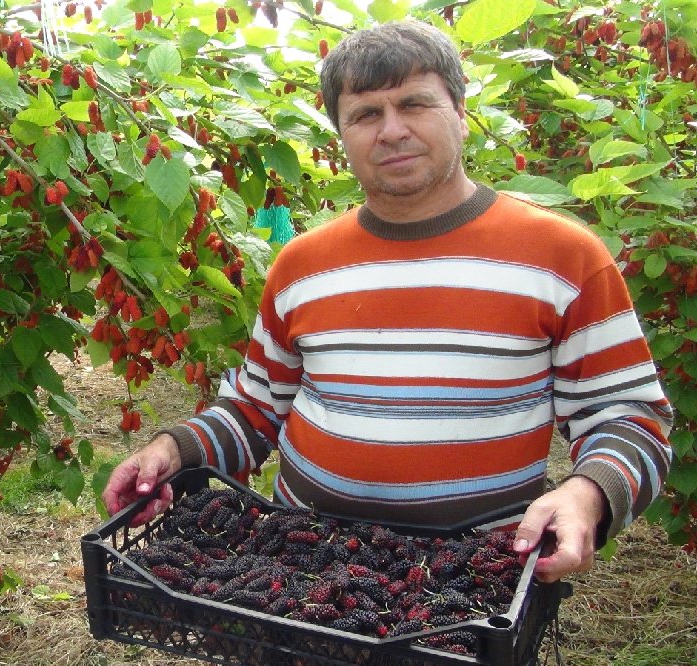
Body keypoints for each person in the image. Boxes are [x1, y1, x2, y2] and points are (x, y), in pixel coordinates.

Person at [100, 20, 673, 584]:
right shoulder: (302, 265)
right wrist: (171, 450)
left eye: (414, 104)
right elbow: (255, 411)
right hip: (302, 572)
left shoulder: (562, 257)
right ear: (341, 134)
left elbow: (630, 417)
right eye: (366, 114)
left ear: (461, 112)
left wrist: (586, 494)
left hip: (471, 583)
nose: (392, 131)